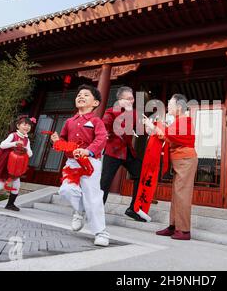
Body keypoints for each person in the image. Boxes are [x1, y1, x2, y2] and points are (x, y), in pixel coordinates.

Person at [50, 84, 110, 246]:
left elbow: (101, 139)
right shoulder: (69, 121)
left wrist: (88, 151)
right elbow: (63, 141)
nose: (81, 96)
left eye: (86, 95)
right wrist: (57, 142)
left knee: (93, 197)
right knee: (66, 190)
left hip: (90, 163)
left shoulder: (96, 121)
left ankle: (100, 232)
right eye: (78, 95)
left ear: (95, 103)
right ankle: (80, 210)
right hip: (72, 163)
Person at [144, 94, 198, 240]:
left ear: (179, 107)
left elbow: (167, 134)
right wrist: (154, 127)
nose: (168, 106)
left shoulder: (185, 121)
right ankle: (174, 226)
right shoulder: (179, 121)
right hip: (180, 160)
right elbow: (166, 136)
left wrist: (152, 126)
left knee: (182, 194)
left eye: (170, 103)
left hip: (185, 159)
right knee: (176, 194)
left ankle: (184, 230)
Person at [100, 86, 146, 222]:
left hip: (127, 151)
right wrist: (105, 131)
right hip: (113, 151)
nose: (132, 101)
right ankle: (97, 209)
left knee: (141, 173)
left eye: (132, 99)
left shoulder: (133, 112)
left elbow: (141, 127)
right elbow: (105, 124)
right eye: (129, 98)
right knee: (105, 181)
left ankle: (133, 208)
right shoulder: (111, 112)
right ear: (120, 100)